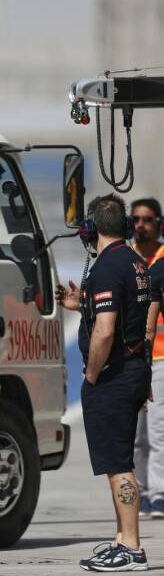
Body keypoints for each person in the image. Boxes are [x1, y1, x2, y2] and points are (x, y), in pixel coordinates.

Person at [57, 194, 152, 571]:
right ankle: (121, 538)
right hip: (133, 369)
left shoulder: (108, 268)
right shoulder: (134, 262)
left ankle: (131, 548)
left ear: (90, 228)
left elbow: (105, 331)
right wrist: (81, 303)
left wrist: (92, 374)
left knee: (117, 464)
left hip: (113, 375)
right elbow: (129, 316)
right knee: (119, 460)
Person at [131, 197, 164, 519]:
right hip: (130, 358)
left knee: (158, 430)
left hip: (160, 358)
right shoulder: (124, 257)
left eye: (148, 219)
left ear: (159, 224)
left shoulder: (163, 259)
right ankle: (139, 492)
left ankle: (158, 494)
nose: (141, 225)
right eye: (136, 219)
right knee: (136, 434)